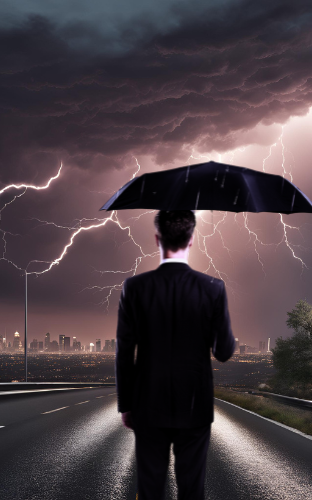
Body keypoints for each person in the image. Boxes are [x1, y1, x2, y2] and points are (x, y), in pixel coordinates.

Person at [115, 210, 235, 500]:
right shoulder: (213, 288)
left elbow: (124, 351)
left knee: (150, 487)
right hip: (194, 405)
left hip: (147, 404)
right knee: (192, 489)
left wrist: (126, 405)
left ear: (157, 238)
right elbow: (223, 352)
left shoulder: (135, 287)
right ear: (192, 239)